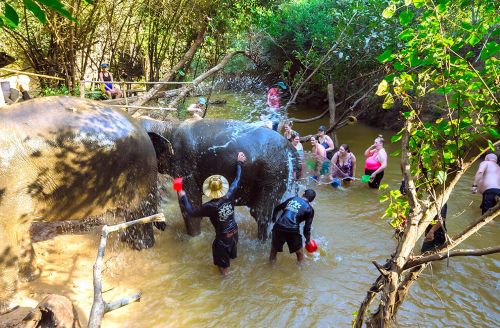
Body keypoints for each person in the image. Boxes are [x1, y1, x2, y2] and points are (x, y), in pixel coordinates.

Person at [177, 152, 246, 276]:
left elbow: (191, 212)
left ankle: (226, 284)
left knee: (223, 268)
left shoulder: (210, 206)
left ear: (209, 192)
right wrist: (239, 163)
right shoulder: (229, 194)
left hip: (223, 239)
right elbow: (238, 179)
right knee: (229, 257)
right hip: (235, 233)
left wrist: (183, 197)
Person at [269, 189, 316, 263]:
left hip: (278, 226)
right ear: (312, 200)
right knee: (300, 254)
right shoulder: (310, 209)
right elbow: (306, 229)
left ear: (303, 194)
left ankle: (270, 270)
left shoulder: (292, 199)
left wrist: (274, 219)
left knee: (273, 252)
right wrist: (307, 241)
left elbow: (277, 208)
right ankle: (300, 272)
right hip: (292, 230)